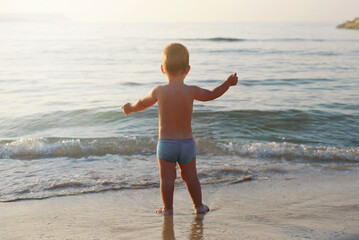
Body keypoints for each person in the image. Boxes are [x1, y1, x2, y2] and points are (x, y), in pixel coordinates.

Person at [122, 43, 238, 215]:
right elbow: (212, 94)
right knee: (191, 177)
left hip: (166, 144)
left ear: (162, 69)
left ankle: (168, 208)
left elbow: (141, 103)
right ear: (187, 69)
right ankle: (198, 206)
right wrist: (228, 83)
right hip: (186, 144)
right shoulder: (191, 91)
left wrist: (130, 107)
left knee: (167, 179)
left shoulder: (159, 91)